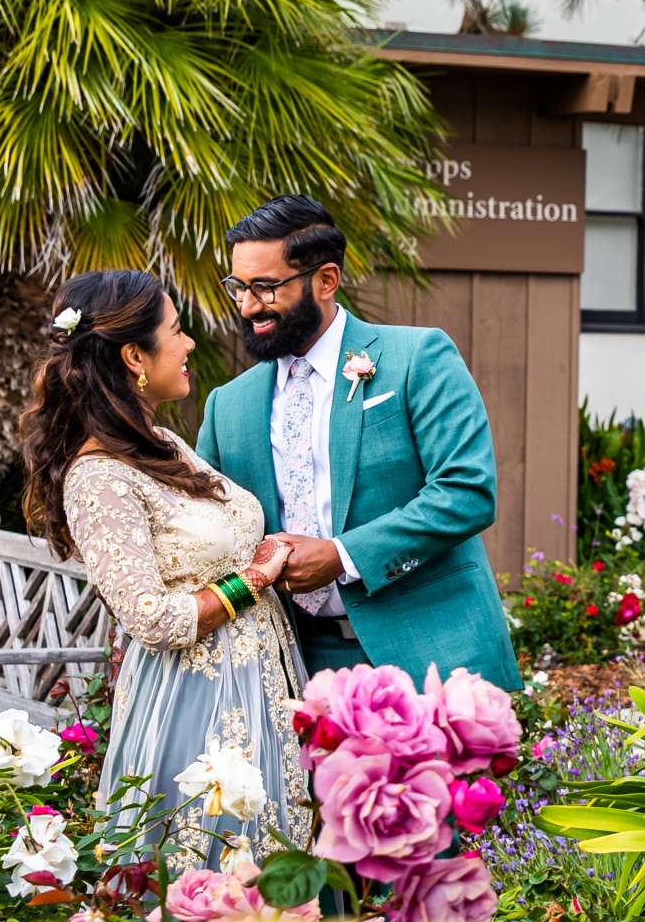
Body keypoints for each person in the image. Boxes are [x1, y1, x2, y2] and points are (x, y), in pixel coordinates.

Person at [19, 269, 310, 871]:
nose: (190, 344)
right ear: (134, 356)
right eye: (177, 331)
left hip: (263, 685)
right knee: (210, 873)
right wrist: (254, 579)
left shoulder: (161, 444)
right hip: (192, 706)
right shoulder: (99, 477)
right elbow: (151, 618)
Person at [194, 194, 521, 690]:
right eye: (238, 286)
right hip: (289, 671)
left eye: (265, 287)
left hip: (427, 656)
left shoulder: (417, 357)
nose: (246, 306)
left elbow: (466, 491)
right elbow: (210, 532)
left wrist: (342, 555)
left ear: (326, 280)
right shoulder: (227, 406)